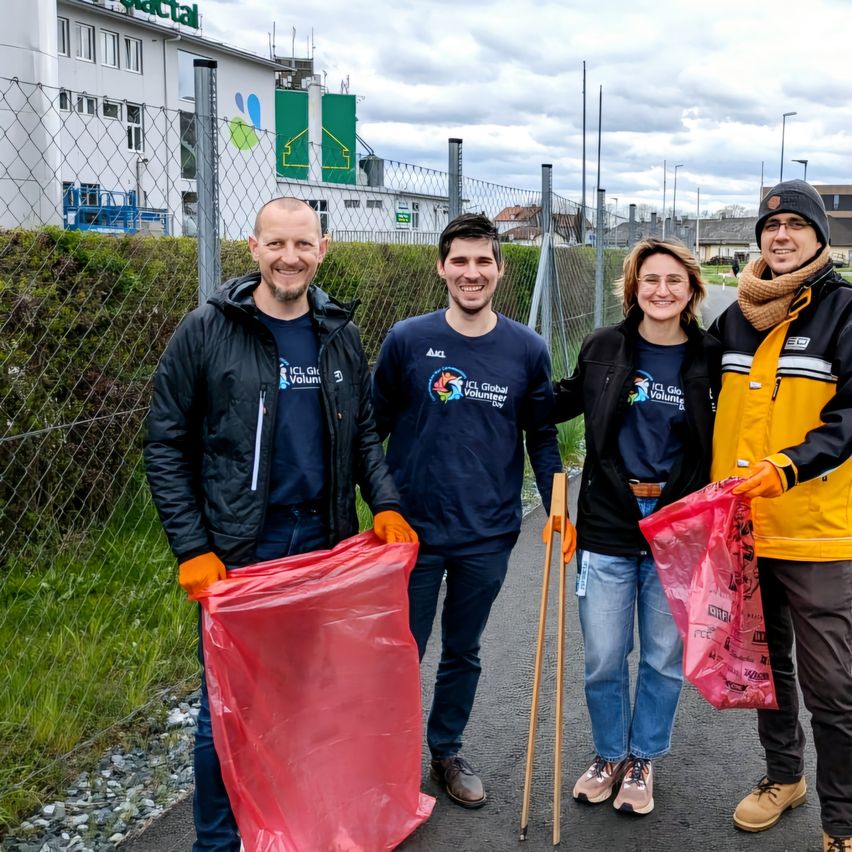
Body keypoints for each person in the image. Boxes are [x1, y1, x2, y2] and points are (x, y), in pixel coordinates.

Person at [143, 197, 418, 852]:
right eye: (276, 244)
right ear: (253, 248)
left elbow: (362, 434)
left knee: (306, 702)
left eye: (302, 244)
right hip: (243, 549)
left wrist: (385, 502)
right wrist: (192, 547)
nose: (289, 258)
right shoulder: (207, 331)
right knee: (227, 707)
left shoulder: (339, 333)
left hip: (322, 545)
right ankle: (217, 843)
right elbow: (165, 444)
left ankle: (290, 829)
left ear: (322, 248)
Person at [372, 213, 562, 809]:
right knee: (400, 652)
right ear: (441, 267)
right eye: (460, 260)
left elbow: (542, 435)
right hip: (411, 533)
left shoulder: (527, 349)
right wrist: (379, 503)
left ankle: (446, 751)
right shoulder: (407, 339)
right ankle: (388, 762)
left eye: (483, 261)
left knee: (463, 649)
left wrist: (557, 505)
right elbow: (370, 429)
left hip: (489, 531)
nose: (471, 272)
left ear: (500, 270)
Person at [706, 180, 852, 852]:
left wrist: (788, 465)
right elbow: (684, 390)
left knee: (834, 686)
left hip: (816, 530)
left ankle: (842, 823)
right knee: (766, 669)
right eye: (771, 226)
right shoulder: (735, 318)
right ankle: (784, 776)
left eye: (796, 224)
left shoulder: (844, 312)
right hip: (743, 530)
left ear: (819, 236)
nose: (781, 235)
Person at [552, 238, 714, 815]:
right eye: (650, 280)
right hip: (609, 518)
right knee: (603, 655)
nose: (661, 290)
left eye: (674, 280)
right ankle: (608, 755)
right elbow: (558, 401)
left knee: (662, 657)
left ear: (691, 290)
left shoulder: (711, 357)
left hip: (678, 526)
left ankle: (642, 758)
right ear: (634, 287)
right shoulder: (604, 347)